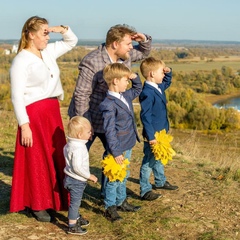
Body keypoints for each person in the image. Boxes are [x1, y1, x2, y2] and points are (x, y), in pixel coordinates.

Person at [68, 24, 152, 196]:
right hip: (88, 115)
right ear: (115, 44)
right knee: (77, 157)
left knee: (114, 157)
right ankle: (69, 194)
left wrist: (142, 38)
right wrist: (85, 125)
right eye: (128, 43)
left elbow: (143, 52)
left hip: (112, 120)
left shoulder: (125, 57)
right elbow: (82, 95)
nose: (131, 47)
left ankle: (110, 197)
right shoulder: (92, 61)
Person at [10, 16, 78, 222]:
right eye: (44, 33)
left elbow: (71, 41)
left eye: (48, 33)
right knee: (37, 158)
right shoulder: (20, 60)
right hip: (34, 115)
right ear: (31, 35)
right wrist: (25, 125)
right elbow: (16, 96)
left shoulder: (47, 52)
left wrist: (61, 29)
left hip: (52, 111)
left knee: (56, 155)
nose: (47, 37)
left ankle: (56, 200)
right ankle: (37, 203)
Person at [99, 63, 141, 222]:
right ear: (115, 81)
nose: (127, 83)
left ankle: (122, 201)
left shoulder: (126, 95)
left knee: (124, 175)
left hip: (128, 143)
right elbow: (109, 131)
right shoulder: (108, 104)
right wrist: (116, 152)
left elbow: (138, 89)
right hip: (117, 148)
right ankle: (110, 207)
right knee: (114, 178)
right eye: (125, 80)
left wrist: (134, 77)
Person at [139, 57, 179, 201]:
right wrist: (151, 137)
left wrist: (168, 72)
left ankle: (160, 181)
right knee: (148, 161)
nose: (163, 75)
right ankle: (145, 190)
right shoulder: (147, 92)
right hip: (153, 135)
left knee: (159, 158)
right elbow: (145, 116)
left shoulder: (158, 86)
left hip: (161, 132)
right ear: (151, 74)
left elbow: (167, 81)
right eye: (161, 72)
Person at [63, 116, 98, 235]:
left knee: (75, 201)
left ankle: (76, 217)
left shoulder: (69, 144)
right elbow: (77, 167)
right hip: (76, 180)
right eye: (88, 132)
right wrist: (89, 176)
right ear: (79, 135)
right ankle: (72, 225)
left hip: (69, 178)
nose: (91, 133)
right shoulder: (79, 148)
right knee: (75, 202)